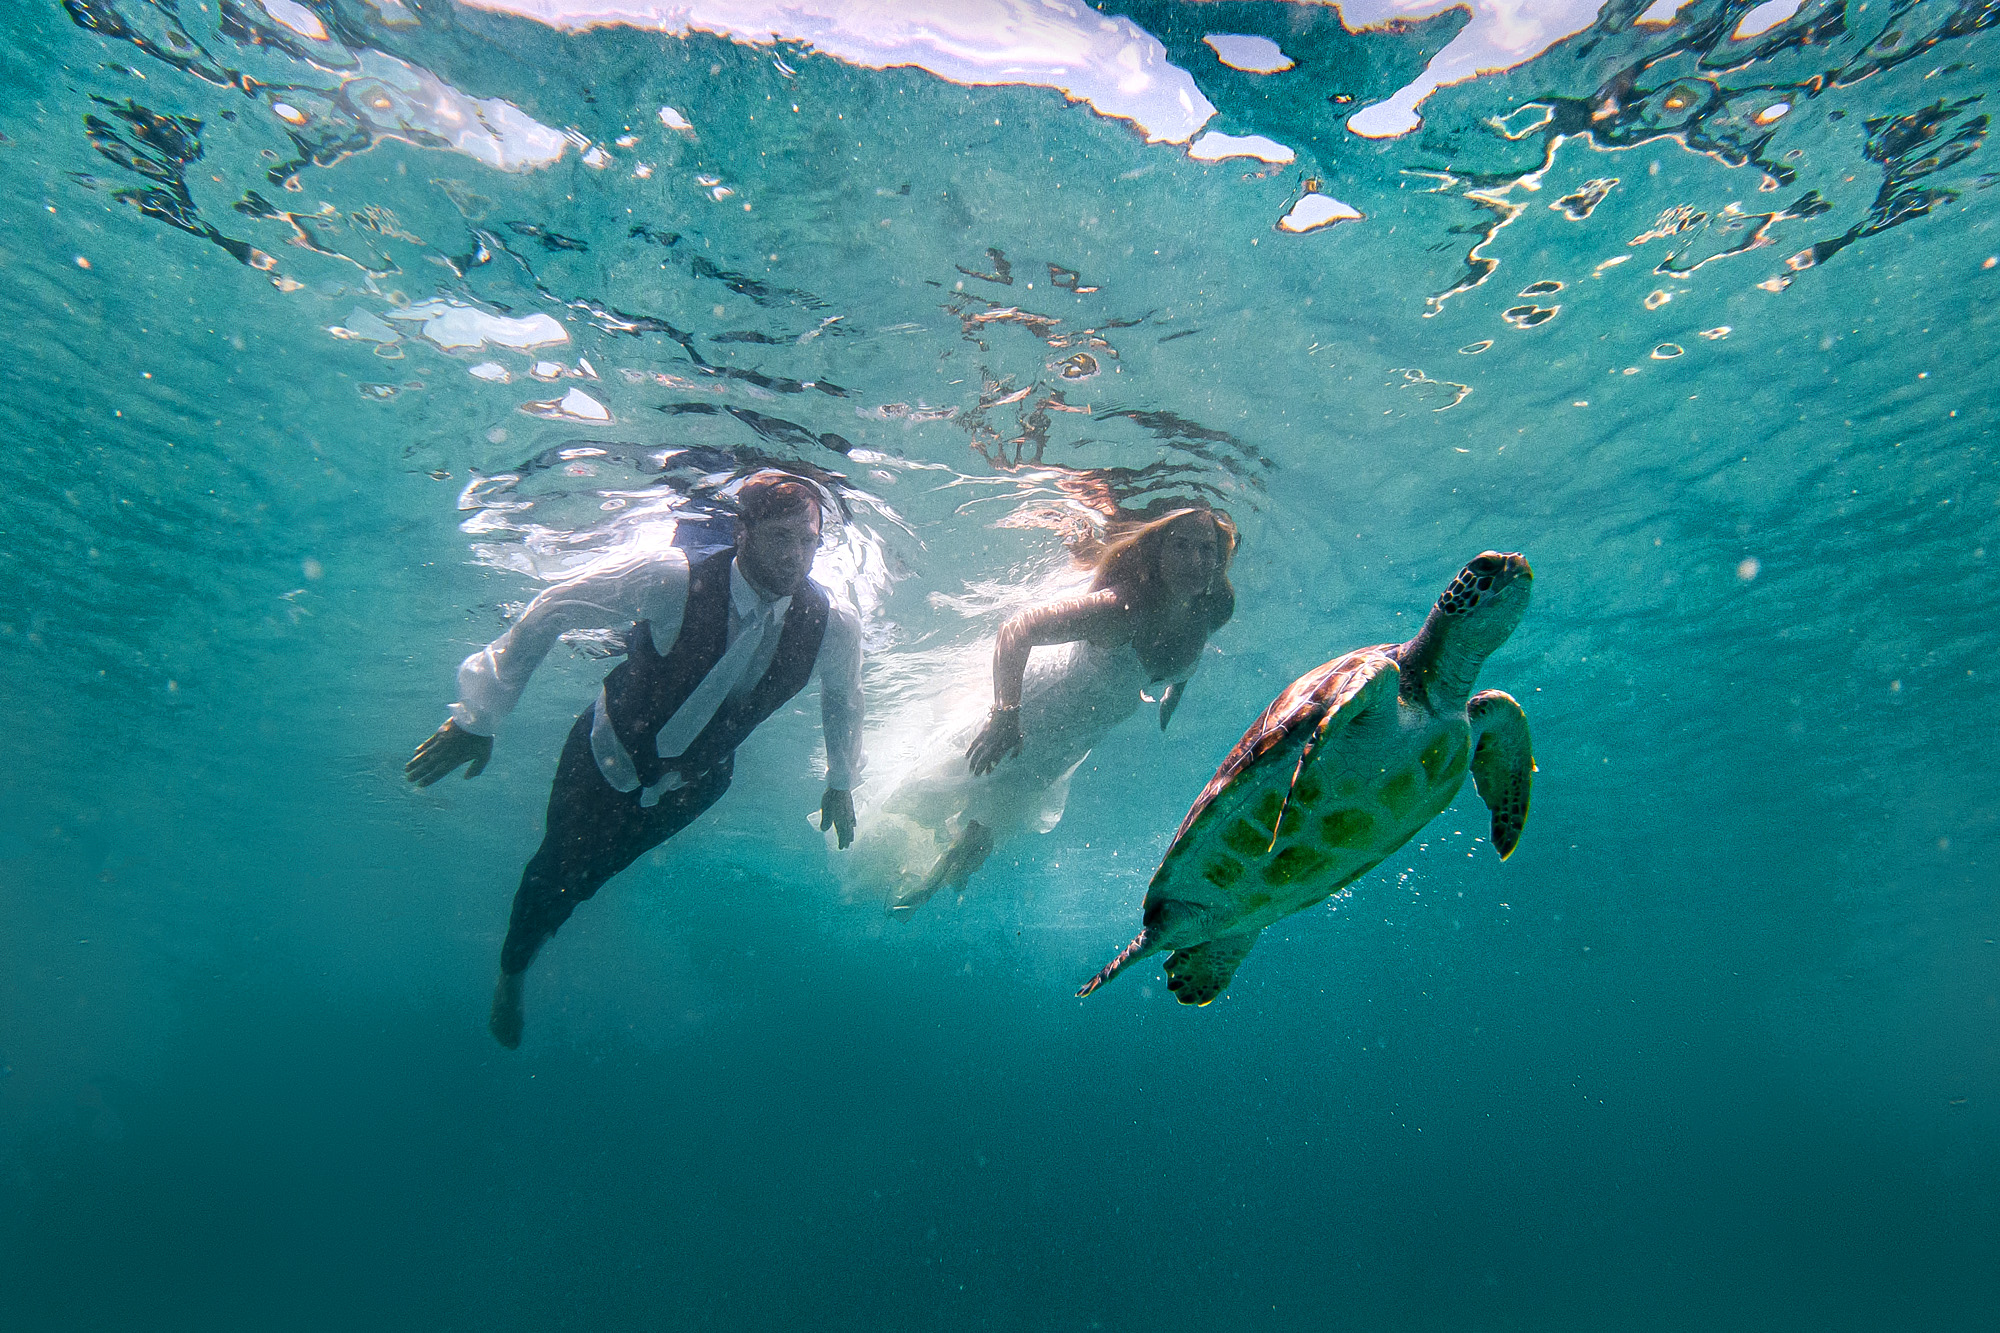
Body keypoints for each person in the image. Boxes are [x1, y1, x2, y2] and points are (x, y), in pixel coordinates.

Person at [405, 472, 864, 1048]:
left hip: (695, 787)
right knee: (554, 870)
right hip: (605, 755)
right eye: (779, 537)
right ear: (741, 530)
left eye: (808, 542)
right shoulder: (673, 576)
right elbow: (553, 607)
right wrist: (479, 717)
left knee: (591, 879)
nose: (795, 558)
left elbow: (845, 699)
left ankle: (545, 927)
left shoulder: (836, 624)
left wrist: (842, 782)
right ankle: (511, 975)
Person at [857, 506, 1239, 914]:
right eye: (1181, 546)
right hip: (1027, 718)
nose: (1197, 561)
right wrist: (1006, 713)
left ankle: (919, 890)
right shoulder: (1120, 609)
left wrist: (1172, 695)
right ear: (1156, 551)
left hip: (1063, 750)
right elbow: (1018, 628)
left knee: (978, 843)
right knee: (924, 800)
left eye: (1207, 549)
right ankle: (867, 877)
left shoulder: (1211, 610)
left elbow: (1182, 663)